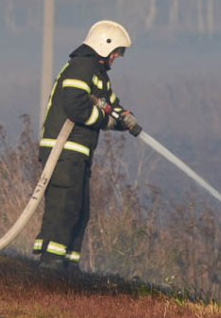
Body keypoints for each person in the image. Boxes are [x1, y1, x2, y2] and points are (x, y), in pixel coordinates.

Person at [33, 20, 142, 276]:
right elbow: (77, 107)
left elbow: (110, 106)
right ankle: (50, 266)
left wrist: (126, 119)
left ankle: (69, 267)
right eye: (116, 51)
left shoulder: (98, 76)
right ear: (104, 46)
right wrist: (107, 120)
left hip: (78, 152)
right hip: (63, 150)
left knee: (80, 210)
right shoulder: (80, 68)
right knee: (64, 206)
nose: (117, 57)